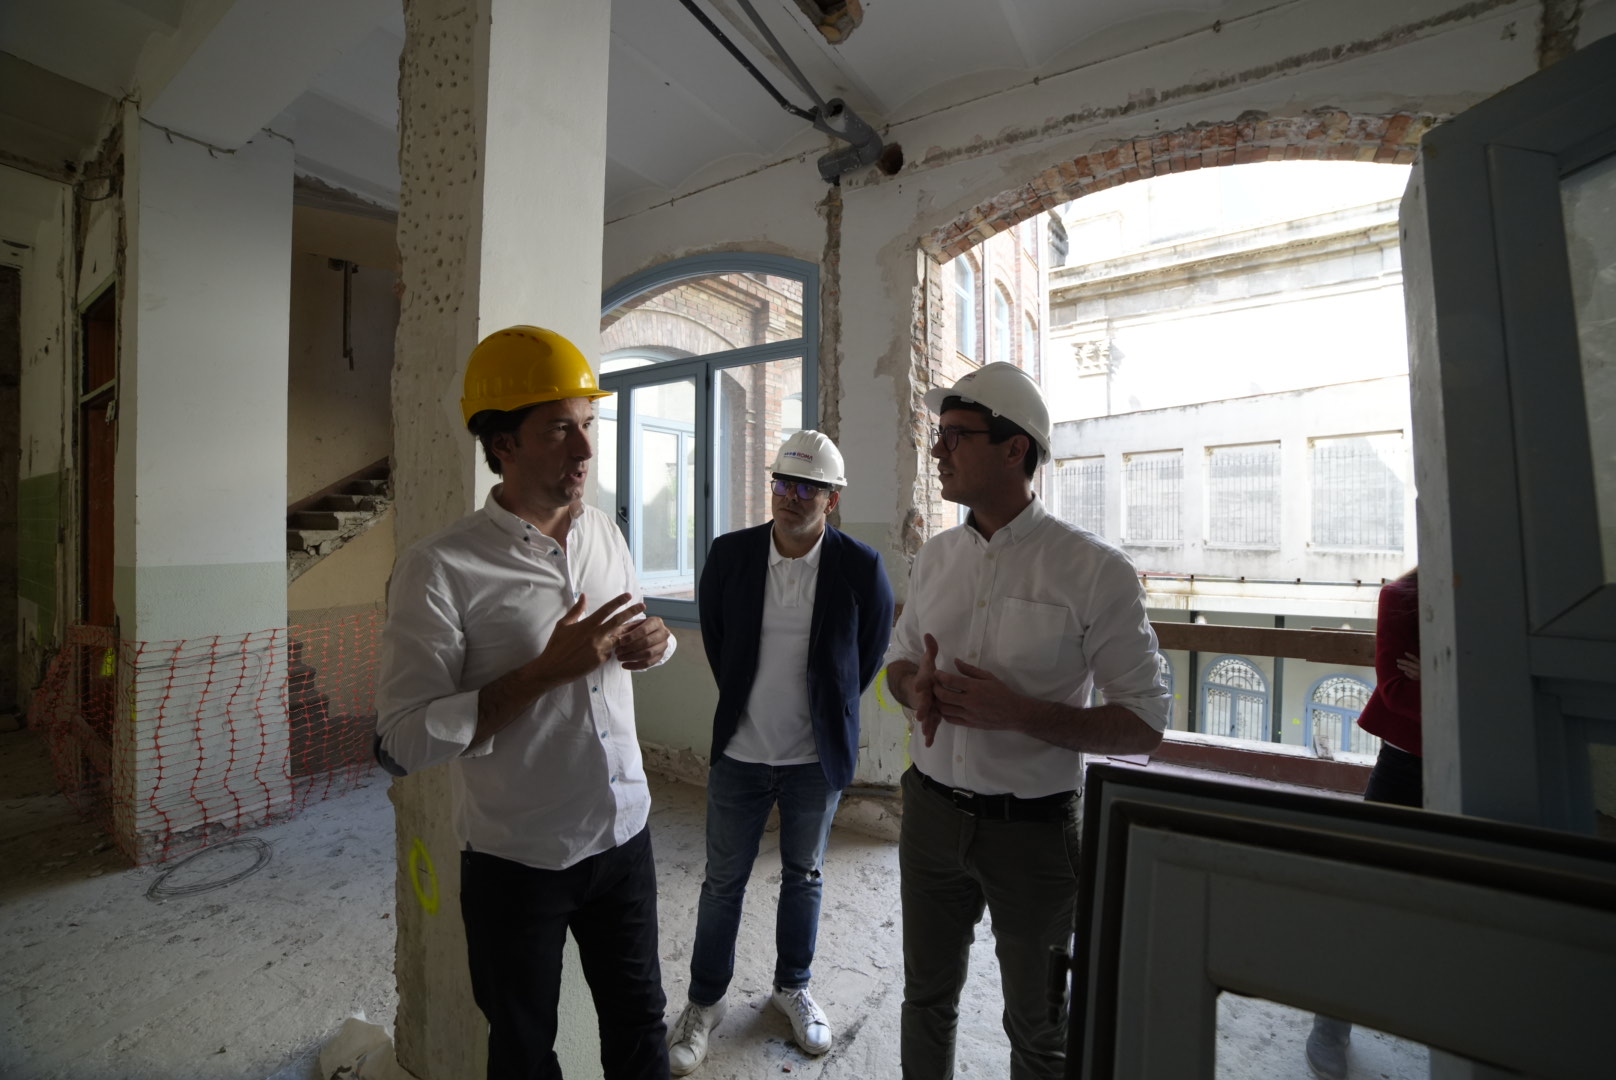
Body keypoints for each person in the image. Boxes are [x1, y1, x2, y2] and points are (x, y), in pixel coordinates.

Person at [374, 325, 675, 1080]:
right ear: (502, 443)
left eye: (589, 424)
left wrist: (656, 643)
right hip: (520, 860)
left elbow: (632, 635)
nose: (586, 449)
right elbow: (401, 741)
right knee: (522, 1050)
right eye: (559, 430)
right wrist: (541, 674)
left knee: (641, 1025)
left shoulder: (604, 533)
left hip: (625, 834)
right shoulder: (440, 569)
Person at [884, 362, 1170, 1080]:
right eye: (938, 434)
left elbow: (1144, 722)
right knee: (925, 999)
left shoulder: (1093, 571)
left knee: (1042, 1031)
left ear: (1016, 449)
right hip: (930, 817)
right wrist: (917, 687)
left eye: (956, 435)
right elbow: (896, 664)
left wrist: (1020, 714)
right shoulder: (935, 559)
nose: (938, 450)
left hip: (1036, 836)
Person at [666, 430, 895, 1075]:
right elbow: (720, 643)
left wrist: (824, 714)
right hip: (740, 753)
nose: (791, 497)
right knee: (722, 882)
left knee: (805, 876)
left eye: (808, 488)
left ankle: (792, 987)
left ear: (833, 499)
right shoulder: (731, 556)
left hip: (813, 761)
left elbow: (868, 654)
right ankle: (704, 1001)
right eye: (783, 483)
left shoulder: (861, 567)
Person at [1305, 566, 1421, 1080]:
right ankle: (1331, 1024)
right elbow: (1396, 691)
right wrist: (1469, 684)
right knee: (1363, 893)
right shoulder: (1401, 596)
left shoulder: (1501, 596)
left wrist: (1440, 678)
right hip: (1406, 767)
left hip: (1479, 766)